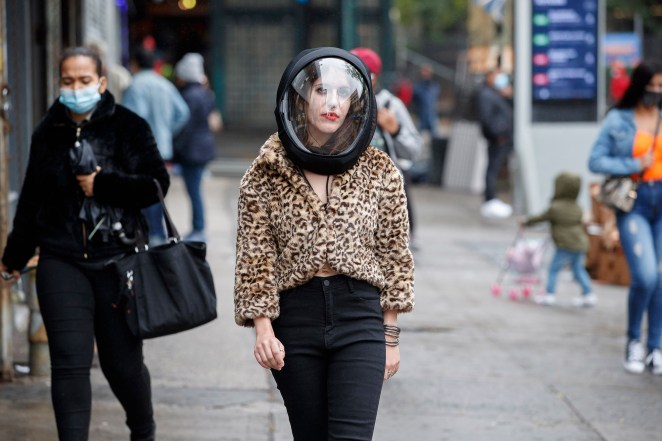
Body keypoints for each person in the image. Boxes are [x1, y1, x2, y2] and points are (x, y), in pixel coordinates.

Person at [233, 47, 415, 441]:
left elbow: (395, 254)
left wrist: (391, 335)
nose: (332, 102)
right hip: (295, 319)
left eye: (343, 93)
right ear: (301, 96)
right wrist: (263, 330)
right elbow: (254, 258)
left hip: (360, 315)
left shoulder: (379, 169)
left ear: (356, 102)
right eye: (320, 90)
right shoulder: (265, 171)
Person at [0, 46, 168, 440]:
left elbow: (157, 184)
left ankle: (142, 430)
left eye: (84, 81)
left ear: (102, 82)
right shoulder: (48, 132)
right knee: (69, 363)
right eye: (68, 81)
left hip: (118, 263)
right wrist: (13, 258)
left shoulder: (129, 126)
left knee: (122, 365)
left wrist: (103, 184)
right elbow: (31, 201)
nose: (76, 88)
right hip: (61, 261)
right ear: (59, 83)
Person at [588, 60, 662, 376]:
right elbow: (595, 160)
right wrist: (632, 161)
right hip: (635, 202)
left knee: (661, 276)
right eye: (652, 86)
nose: (656, 93)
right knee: (645, 276)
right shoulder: (619, 119)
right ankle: (634, 339)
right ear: (639, 85)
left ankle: (655, 345)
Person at [350, 47, 423, 250]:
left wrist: (396, 129)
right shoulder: (343, 103)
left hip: (385, 190)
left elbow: (414, 150)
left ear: (373, 77)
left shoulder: (391, 104)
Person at [123, 46, 190, 245]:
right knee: (158, 192)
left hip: (141, 151)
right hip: (163, 149)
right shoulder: (164, 84)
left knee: (143, 194)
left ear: (135, 63)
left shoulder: (135, 86)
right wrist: (168, 132)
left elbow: (131, 119)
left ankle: (150, 237)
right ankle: (157, 236)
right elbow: (183, 112)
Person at [521, 172, 595, 307]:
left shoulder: (555, 207)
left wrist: (526, 221)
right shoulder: (577, 207)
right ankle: (588, 294)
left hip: (565, 244)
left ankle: (549, 294)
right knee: (578, 269)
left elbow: (540, 218)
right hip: (580, 243)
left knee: (553, 269)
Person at [173, 53, 220, 242]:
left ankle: (198, 229)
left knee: (194, 191)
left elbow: (186, 127)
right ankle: (198, 227)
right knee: (196, 190)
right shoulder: (205, 93)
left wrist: (175, 148)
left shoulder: (188, 96)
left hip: (192, 151)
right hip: (204, 147)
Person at [477, 68, 514, 219]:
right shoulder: (486, 95)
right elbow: (487, 119)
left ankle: (492, 199)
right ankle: (490, 200)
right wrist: (498, 134)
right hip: (498, 139)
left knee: (497, 169)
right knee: (493, 169)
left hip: (503, 138)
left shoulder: (497, 94)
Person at [412, 63, 440, 139]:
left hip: (432, 116)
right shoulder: (418, 87)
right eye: (425, 72)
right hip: (421, 116)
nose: (426, 74)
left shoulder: (434, 86)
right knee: (417, 137)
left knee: (435, 138)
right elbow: (414, 100)